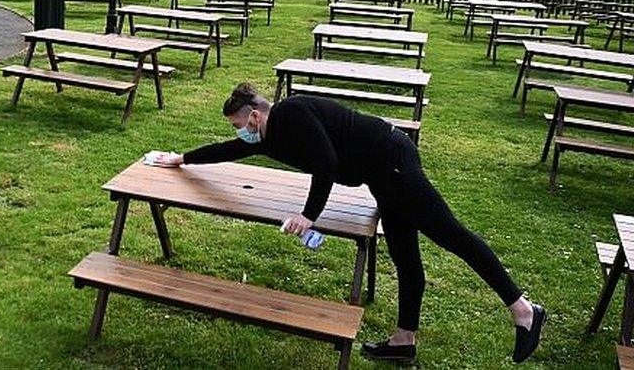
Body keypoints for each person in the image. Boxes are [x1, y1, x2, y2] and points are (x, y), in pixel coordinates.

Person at [156, 83, 545, 364]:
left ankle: (523, 310)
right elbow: (229, 150)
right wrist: (183, 159)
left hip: (392, 158)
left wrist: (308, 216)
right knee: (404, 255)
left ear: (254, 114)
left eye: (239, 123)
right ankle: (404, 340)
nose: (239, 131)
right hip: (380, 173)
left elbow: (325, 162)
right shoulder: (267, 135)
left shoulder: (291, 112)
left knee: (450, 234)